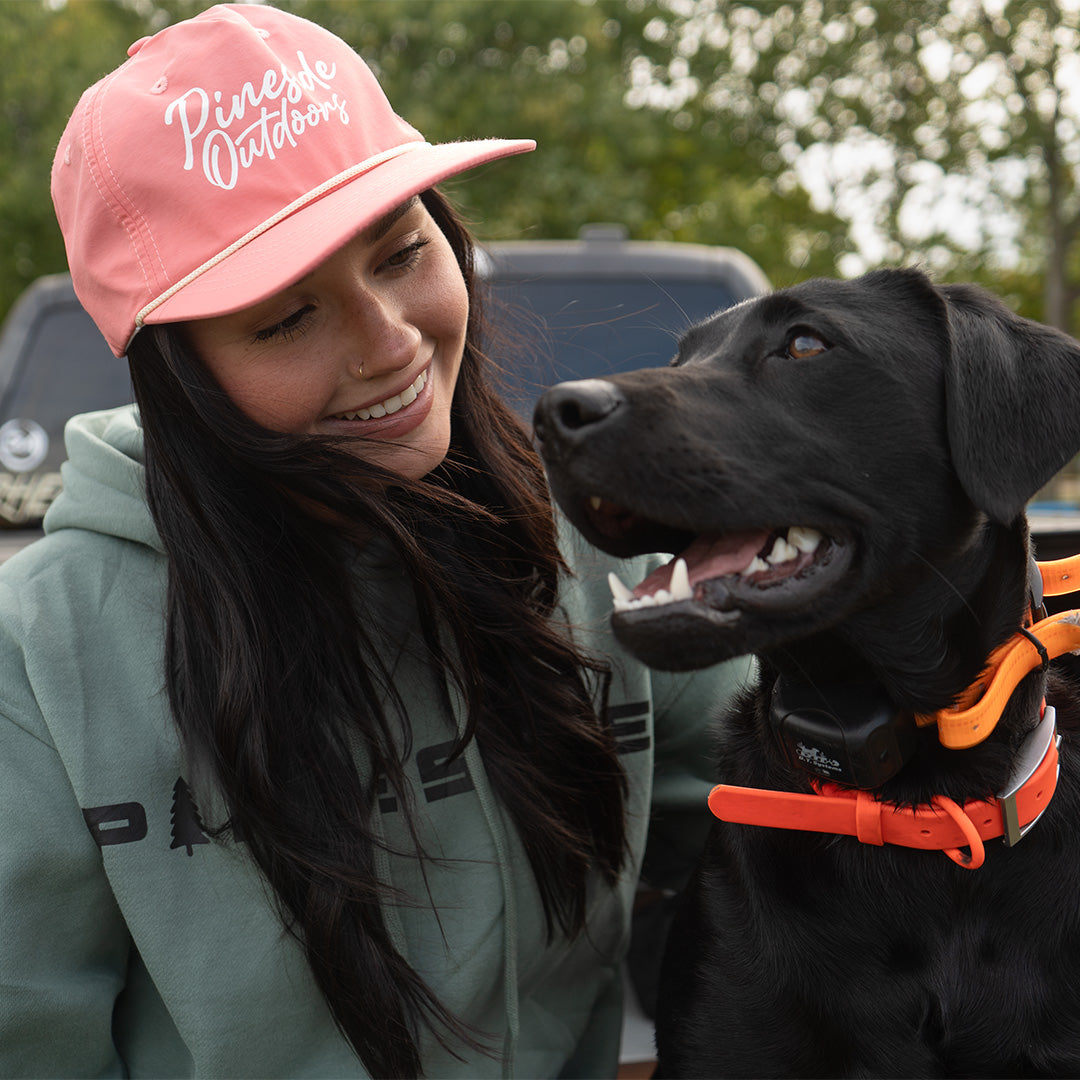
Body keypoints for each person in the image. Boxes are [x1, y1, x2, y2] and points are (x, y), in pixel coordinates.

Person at [0, 6, 750, 1078]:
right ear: (180, 375)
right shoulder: (40, 659)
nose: (387, 343)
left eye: (401, 255)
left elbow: (767, 837)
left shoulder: (594, 547)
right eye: (285, 319)